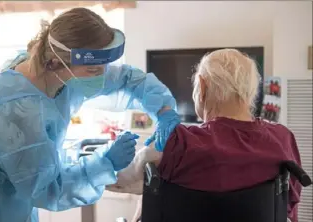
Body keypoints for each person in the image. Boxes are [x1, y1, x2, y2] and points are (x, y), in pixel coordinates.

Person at [0, 8, 180, 222]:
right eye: (93, 70)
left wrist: (164, 111)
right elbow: (49, 190)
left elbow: (128, 79)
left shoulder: (57, 73)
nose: (102, 76)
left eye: (103, 66)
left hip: (14, 204)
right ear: (57, 62)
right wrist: (105, 162)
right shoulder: (15, 113)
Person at [108, 49, 302, 222]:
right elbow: (289, 203)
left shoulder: (173, 143)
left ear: (202, 87)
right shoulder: (282, 139)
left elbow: (116, 179)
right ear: (251, 91)